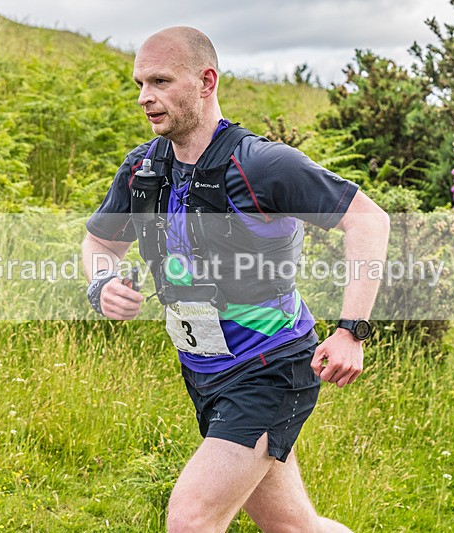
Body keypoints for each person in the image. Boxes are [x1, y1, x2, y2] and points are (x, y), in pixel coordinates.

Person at [82, 26, 390, 533]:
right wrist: (102, 284)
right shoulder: (143, 169)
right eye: (139, 83)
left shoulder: (260, 164)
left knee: (190, 519)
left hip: (270, 367)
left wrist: (350, 330)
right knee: (296, 527)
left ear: (206, 81)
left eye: (160, 81)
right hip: (204, 371)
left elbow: (368, 220)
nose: (144, 97)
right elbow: (100, 244)